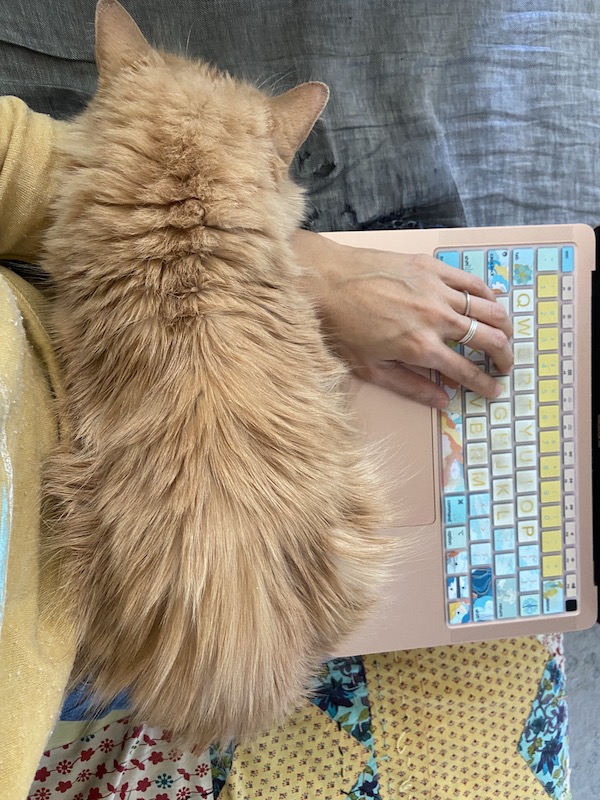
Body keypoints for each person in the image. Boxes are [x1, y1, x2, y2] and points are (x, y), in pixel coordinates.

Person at [1, 0, 589, 796]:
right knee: (502, 537)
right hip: (129, 636)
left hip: (151, 619)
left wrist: (277, 259)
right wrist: (254, 248)